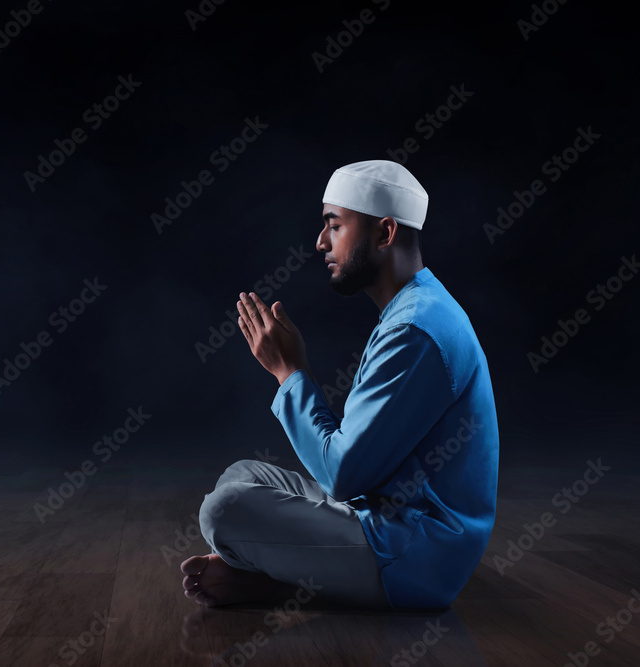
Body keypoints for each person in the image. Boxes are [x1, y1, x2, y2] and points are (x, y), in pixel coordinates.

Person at [181, 160, 499, 611]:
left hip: (416, 554)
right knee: (241, 477)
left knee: (224, 510)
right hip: (385, 515)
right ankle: (284, 580)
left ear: (384, 233)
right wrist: (296, 373)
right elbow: (355, 465)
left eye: (335, 225)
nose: (320, 242)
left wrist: (289, 373)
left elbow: (342, 476)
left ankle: (280, 585)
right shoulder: (416, 307)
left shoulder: (416, 329)